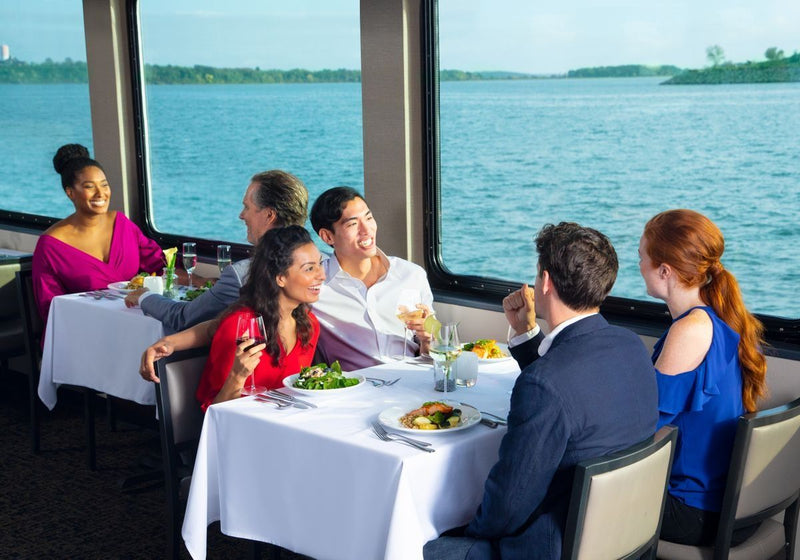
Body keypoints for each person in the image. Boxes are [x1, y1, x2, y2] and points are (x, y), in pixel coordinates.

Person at [423, 222, 658, 560]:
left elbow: (509, 503)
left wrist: (468, 535)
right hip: (620, 535)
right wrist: (524, 331)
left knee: (423, 545)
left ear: (545, 282)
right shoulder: (630, 346)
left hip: (553, 546)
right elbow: (570, 387)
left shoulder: (543, 384)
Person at [639, 209, 767, 546]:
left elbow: (643, 426)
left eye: (642, 256)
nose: (639, 265)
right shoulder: (718, 320)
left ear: (664, 271)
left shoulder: (690, 330)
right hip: (726, 506)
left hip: (693, 510)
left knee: (569, 491)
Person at [146, 226, 323, 409]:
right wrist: (237, 376)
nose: (322, 275)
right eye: (309, 269)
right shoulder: (240, 328)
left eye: (319, 264)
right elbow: (215, 412)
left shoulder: (308, 326)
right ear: (280, 278)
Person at [124, 170, 308, 333]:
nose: (241, 215)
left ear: (269, 215)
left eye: (247, 207)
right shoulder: (321, 269)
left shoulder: (243, 274)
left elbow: (182, 317)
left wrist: (145, 296)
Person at [33, 143, 163, 323]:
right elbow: (51, 307)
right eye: (89, 186)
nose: (100, 193)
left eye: (104, 185)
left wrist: (195, 279)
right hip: (85, 327)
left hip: (135, 317)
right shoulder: (50, 245)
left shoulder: (121, 224)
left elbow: (158, 262)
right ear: (70, 192)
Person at [309, 186, 434, 370]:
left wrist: (428, 339)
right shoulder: (316, 287)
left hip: (413, 378)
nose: (367, 230)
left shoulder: (412, 275)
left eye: (368, 217)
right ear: (327, 236)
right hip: (356, 389)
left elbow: (431, 355)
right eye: (352, 224)